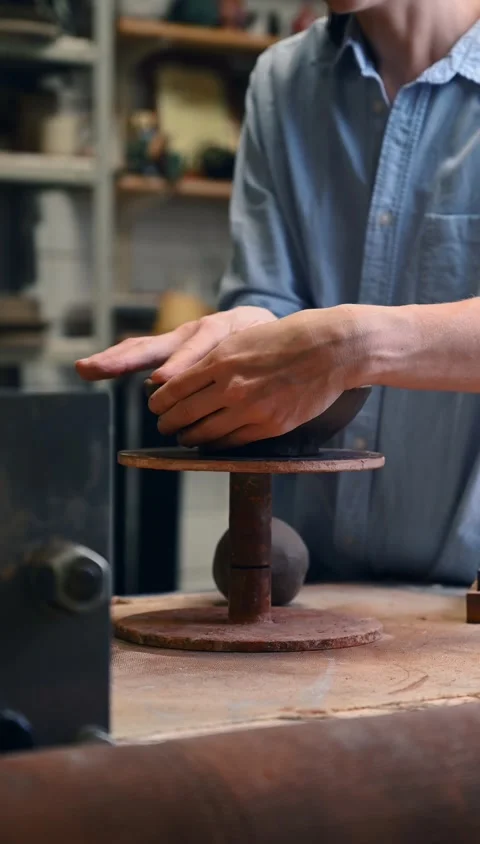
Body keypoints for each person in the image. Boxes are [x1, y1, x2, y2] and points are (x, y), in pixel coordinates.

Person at [77, 0, 480, 586]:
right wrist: (248, 329)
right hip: (312, 598)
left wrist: (356, 343)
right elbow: (269, 299)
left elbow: (341, 346)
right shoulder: (282, 81)